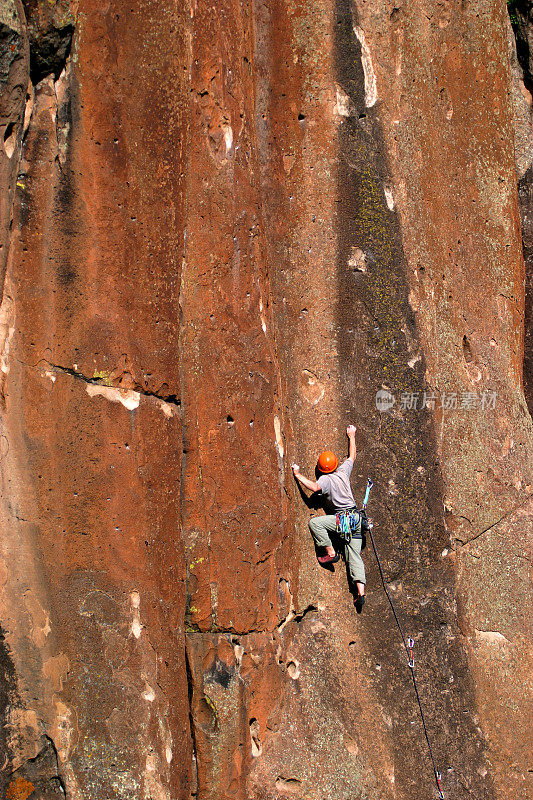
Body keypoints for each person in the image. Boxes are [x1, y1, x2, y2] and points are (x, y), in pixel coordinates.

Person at [292, 425, 366, 611]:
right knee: (354, 556)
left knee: (315, 523)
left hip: (342, 520)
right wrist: (351, 435)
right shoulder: (343, 472)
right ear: (334, 465)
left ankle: (331, 552)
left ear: (321, 469)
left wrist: (297, 475)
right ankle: (361, 592)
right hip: (356, 520)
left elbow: (315, 488)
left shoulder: (325, 480)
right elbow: (352, 457)